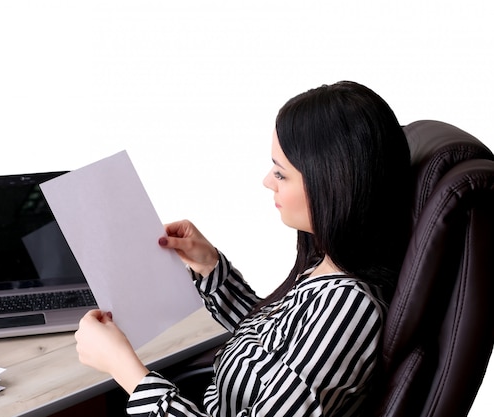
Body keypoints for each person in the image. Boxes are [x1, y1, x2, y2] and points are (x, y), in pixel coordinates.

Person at [74, 81, 412, 416]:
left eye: (281, 174)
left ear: (331, 185)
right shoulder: (327, 267)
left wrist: (126, 369)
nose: (267, 181)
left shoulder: (348, 309)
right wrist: (210, 268)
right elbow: (271, 351)